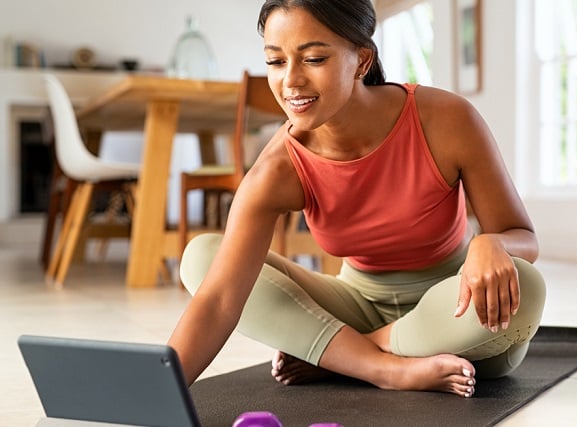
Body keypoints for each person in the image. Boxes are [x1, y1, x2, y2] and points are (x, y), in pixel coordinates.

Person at [167, 0, 546, 399]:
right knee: (202, 258)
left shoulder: (447, 119)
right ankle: (382, 367)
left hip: (451, 305)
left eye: (313, 58)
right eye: (276, 62)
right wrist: (159, 393)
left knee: (528, 289)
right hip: (355, 301)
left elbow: (523, 236)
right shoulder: (278, 168)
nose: (291, 81)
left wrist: (492, 242)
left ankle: (343, 352)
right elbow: (220, 300)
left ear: (362, 61)